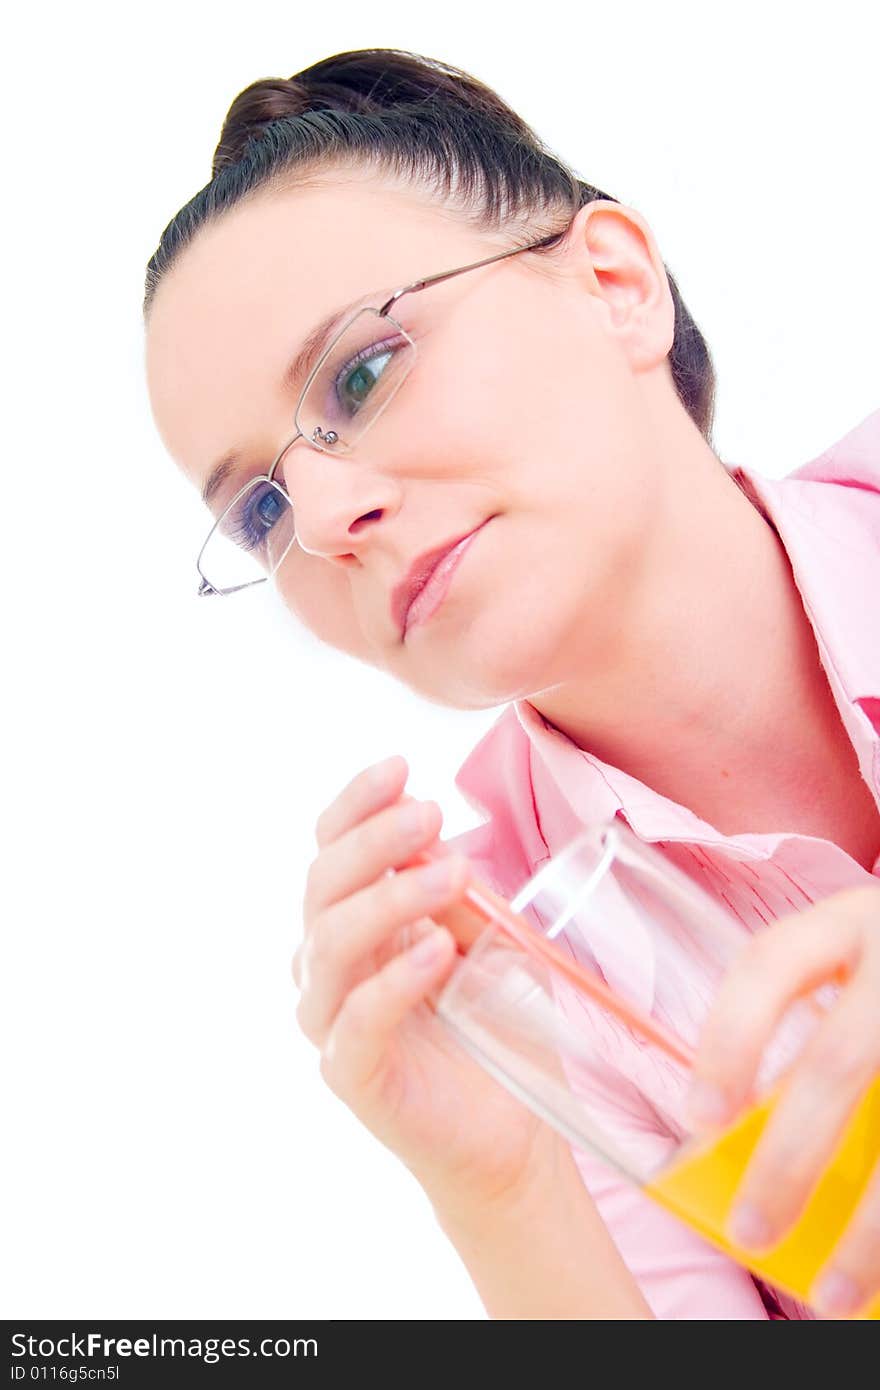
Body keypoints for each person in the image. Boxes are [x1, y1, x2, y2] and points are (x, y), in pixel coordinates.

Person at [142, 47, 880, 1320]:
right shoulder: (508, 967)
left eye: (363, 373)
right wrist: (503, 1196)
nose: (321, 517)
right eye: (261, 508)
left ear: (611, 283)